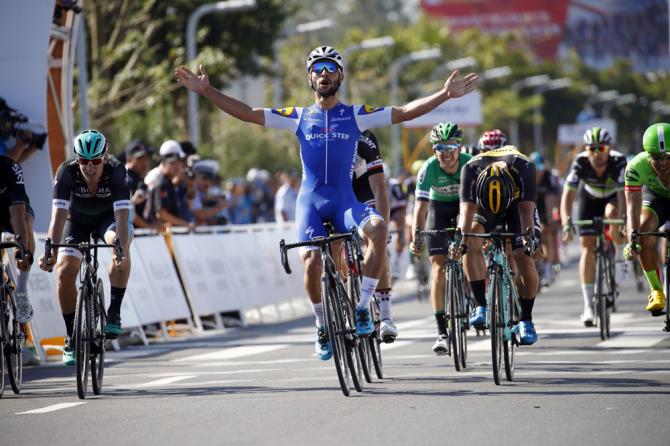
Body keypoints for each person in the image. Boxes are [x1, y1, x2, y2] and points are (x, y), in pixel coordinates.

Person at [175, 45, 478, 360]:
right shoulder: (298, 117)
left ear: (340, 76)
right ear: (310, 77)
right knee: (312, 262)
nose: (323, 73)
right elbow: (249, 114)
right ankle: (321, 324)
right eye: (317, 68)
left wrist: (443, 95)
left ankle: (363, 307)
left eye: (330, 68)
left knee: (378, 230)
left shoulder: (357, 114)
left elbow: (402, 112)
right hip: (311, 202)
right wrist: (208, 91)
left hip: (346, 200)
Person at [38, 130, 132, 364]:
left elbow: (122, 217)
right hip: (76, 221)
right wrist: (50, 249)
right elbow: (58, 217)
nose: (89, 167)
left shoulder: (118, 171)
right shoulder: (66, 172)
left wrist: (119, 247)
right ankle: (71, 335)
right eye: (83, 161)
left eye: (96, 161)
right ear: (77, 159)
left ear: (105, 156)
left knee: (120, 243)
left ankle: (114, 312)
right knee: (64, 271)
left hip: (107, 220)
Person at [453, 145, 541, 345]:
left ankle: (526, 319)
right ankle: (481, 305)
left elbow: (527, 211)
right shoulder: (470, 169)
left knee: (523, 256)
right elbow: (466, 214)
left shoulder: (524, 166)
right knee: (469, 238)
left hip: (516, 204)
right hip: (485, 205)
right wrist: (460, 243)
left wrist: (530, 241)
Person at [409, 122, 472, 354]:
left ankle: (474, 296)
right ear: (434, 150)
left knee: (469, 246)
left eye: (451, 147)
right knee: (438, 268)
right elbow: (420, 209)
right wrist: (416, 237)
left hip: (465, 206)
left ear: (460, 147)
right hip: (439, 209)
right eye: (440, 148)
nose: (446, 153)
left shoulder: (469, 164)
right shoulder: (428, 168)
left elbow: (475, 207)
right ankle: (442, 331)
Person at [560, 127, 627, 326]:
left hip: (613, 200)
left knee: (612, 215)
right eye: (592, 149)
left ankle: (618, 252)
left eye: (602, 149)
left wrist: (622, 221)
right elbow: (568, 196)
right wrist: (566, 222)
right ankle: (588, 306)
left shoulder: (618, 161)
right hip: (589, 200)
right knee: (587, 248)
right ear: (585, 149)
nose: (597, 154)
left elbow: (623, 196)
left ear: (609, 149)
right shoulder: (580, 162)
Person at [351, 130, 397, 342]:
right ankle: (343, 298)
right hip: (338, 198)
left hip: (365, 196)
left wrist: (384, 227)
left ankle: (386, 315)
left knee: (379, 245)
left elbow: (380, 189)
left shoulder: (365, 139)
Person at [623, 123, 670, 314]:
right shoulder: (636, 167)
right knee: (641, 230)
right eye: (657, 157)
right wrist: (633, 240)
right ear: (647, 155)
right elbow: (632, 209)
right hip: (655, 198)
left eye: (668, 156)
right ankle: (656, 290)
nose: (663, 162)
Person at [0, 155, 36, 323]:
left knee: (26, 224)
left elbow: (17, 215)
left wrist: (22, 248)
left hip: (12, 211)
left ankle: (21, 289)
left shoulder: (10, 168)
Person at [529, 152, 561, 287]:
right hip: (531, 207)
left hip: (546, 208)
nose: (537, 172)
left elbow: (555, 200)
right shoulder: (527, 176)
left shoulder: (549, 178)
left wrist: (555, 217)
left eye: (540, 168)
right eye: (535, 168)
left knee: (548, 233)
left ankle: (548, 269)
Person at [124, 140, 157, 230]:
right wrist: (149, 227)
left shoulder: (138, 178)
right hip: (130, 237)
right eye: (139, 159)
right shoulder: (125, 179)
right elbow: (128, 212)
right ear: (129, 159)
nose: (144, 163)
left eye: (146, 159)